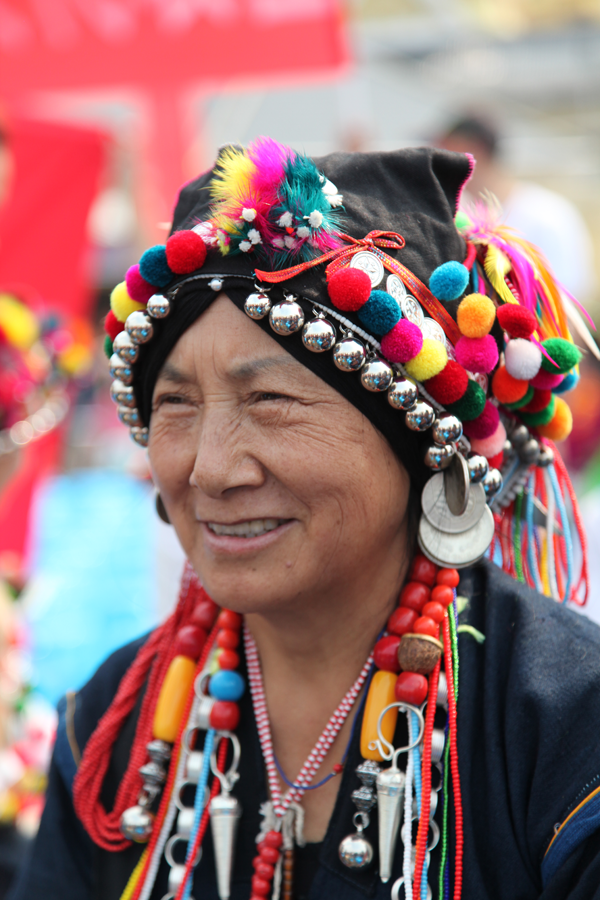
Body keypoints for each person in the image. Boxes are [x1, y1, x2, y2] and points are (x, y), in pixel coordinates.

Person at [9, 138, 600, 900]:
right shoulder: (114, 721)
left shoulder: (562, 726)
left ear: (420, 438)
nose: (212, 469)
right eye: (176, 403)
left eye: (271, 401)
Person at [438, 115, 596, 305]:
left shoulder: (548, 214)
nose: (438, 164)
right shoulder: (456, 216)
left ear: (475, 151)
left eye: (446, 151)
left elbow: (571, 296)